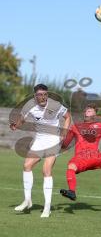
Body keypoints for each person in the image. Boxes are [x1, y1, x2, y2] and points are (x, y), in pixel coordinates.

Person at [10, 84, 71, 217]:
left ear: (47, 94)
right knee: (27, 165)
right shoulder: (29, 105)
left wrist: (64, 132)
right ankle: (27, 200)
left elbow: (67, 116)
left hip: (54, 140)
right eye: (40, 95)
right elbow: (22, 118)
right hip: (39, 140)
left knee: (46, 170)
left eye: (45, 94)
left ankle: (47, 207)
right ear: (35, 96)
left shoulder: (55, 105)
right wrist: (16, 125)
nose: (43, 97)